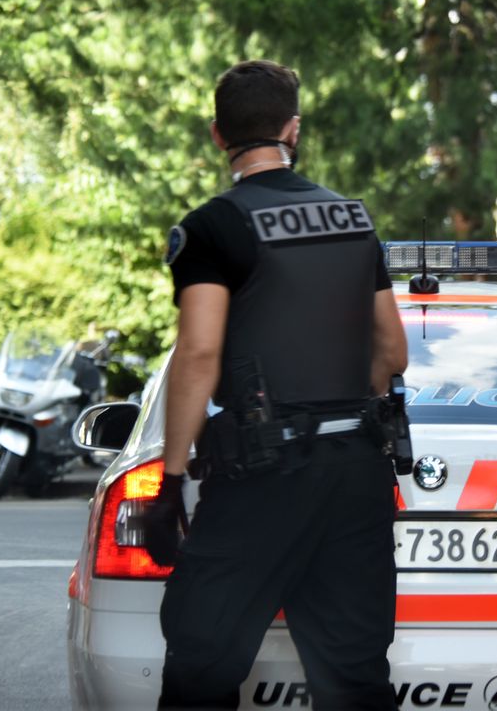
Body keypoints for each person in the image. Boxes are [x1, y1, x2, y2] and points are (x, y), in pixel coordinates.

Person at [148, 60, 408, 710]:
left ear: (217, 136)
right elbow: (392, 351)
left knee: (202, 658)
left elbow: (200, 351)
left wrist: (170, 483)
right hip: (357, 475)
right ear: (294, 129)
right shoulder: (353, 219)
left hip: (262, 474)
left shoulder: (213, 227)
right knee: (353, 676)